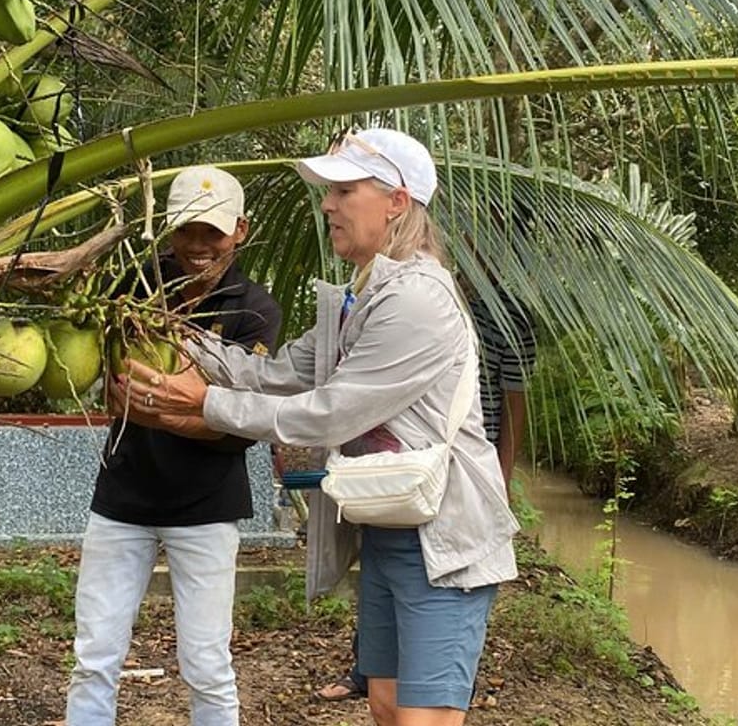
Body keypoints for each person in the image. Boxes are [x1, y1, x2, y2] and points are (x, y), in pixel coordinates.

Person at [114, 128, 519, 726]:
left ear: (397, 201)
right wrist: (184, 341)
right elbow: (279, 373)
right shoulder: (363, 294)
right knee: (385, 703)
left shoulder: (418, 300)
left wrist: (203, 405)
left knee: (424, 719)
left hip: (445, 543)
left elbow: (330, 411)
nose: (327, 204)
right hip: (392, 527)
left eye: (343, 190)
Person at [65, 165, 282, 726]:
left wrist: (162, 409)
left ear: (241, 230)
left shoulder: (253, 310)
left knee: (207, 663)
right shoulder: (132, 286)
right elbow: (104, 381)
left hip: (205, 507)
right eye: (186, 230)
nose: (198, 246)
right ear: (167, 229)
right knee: (94, 656)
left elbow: (240, 422)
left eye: (212, 232)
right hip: (122, 498)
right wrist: (177, 402)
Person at [316, 285, 537, 703]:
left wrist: (499, 483)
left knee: (433, 689)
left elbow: (515, 401)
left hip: (457, 481)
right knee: (387, 654)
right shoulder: (399, 297)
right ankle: (366, 670)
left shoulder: (509, 315)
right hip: (395, 479)